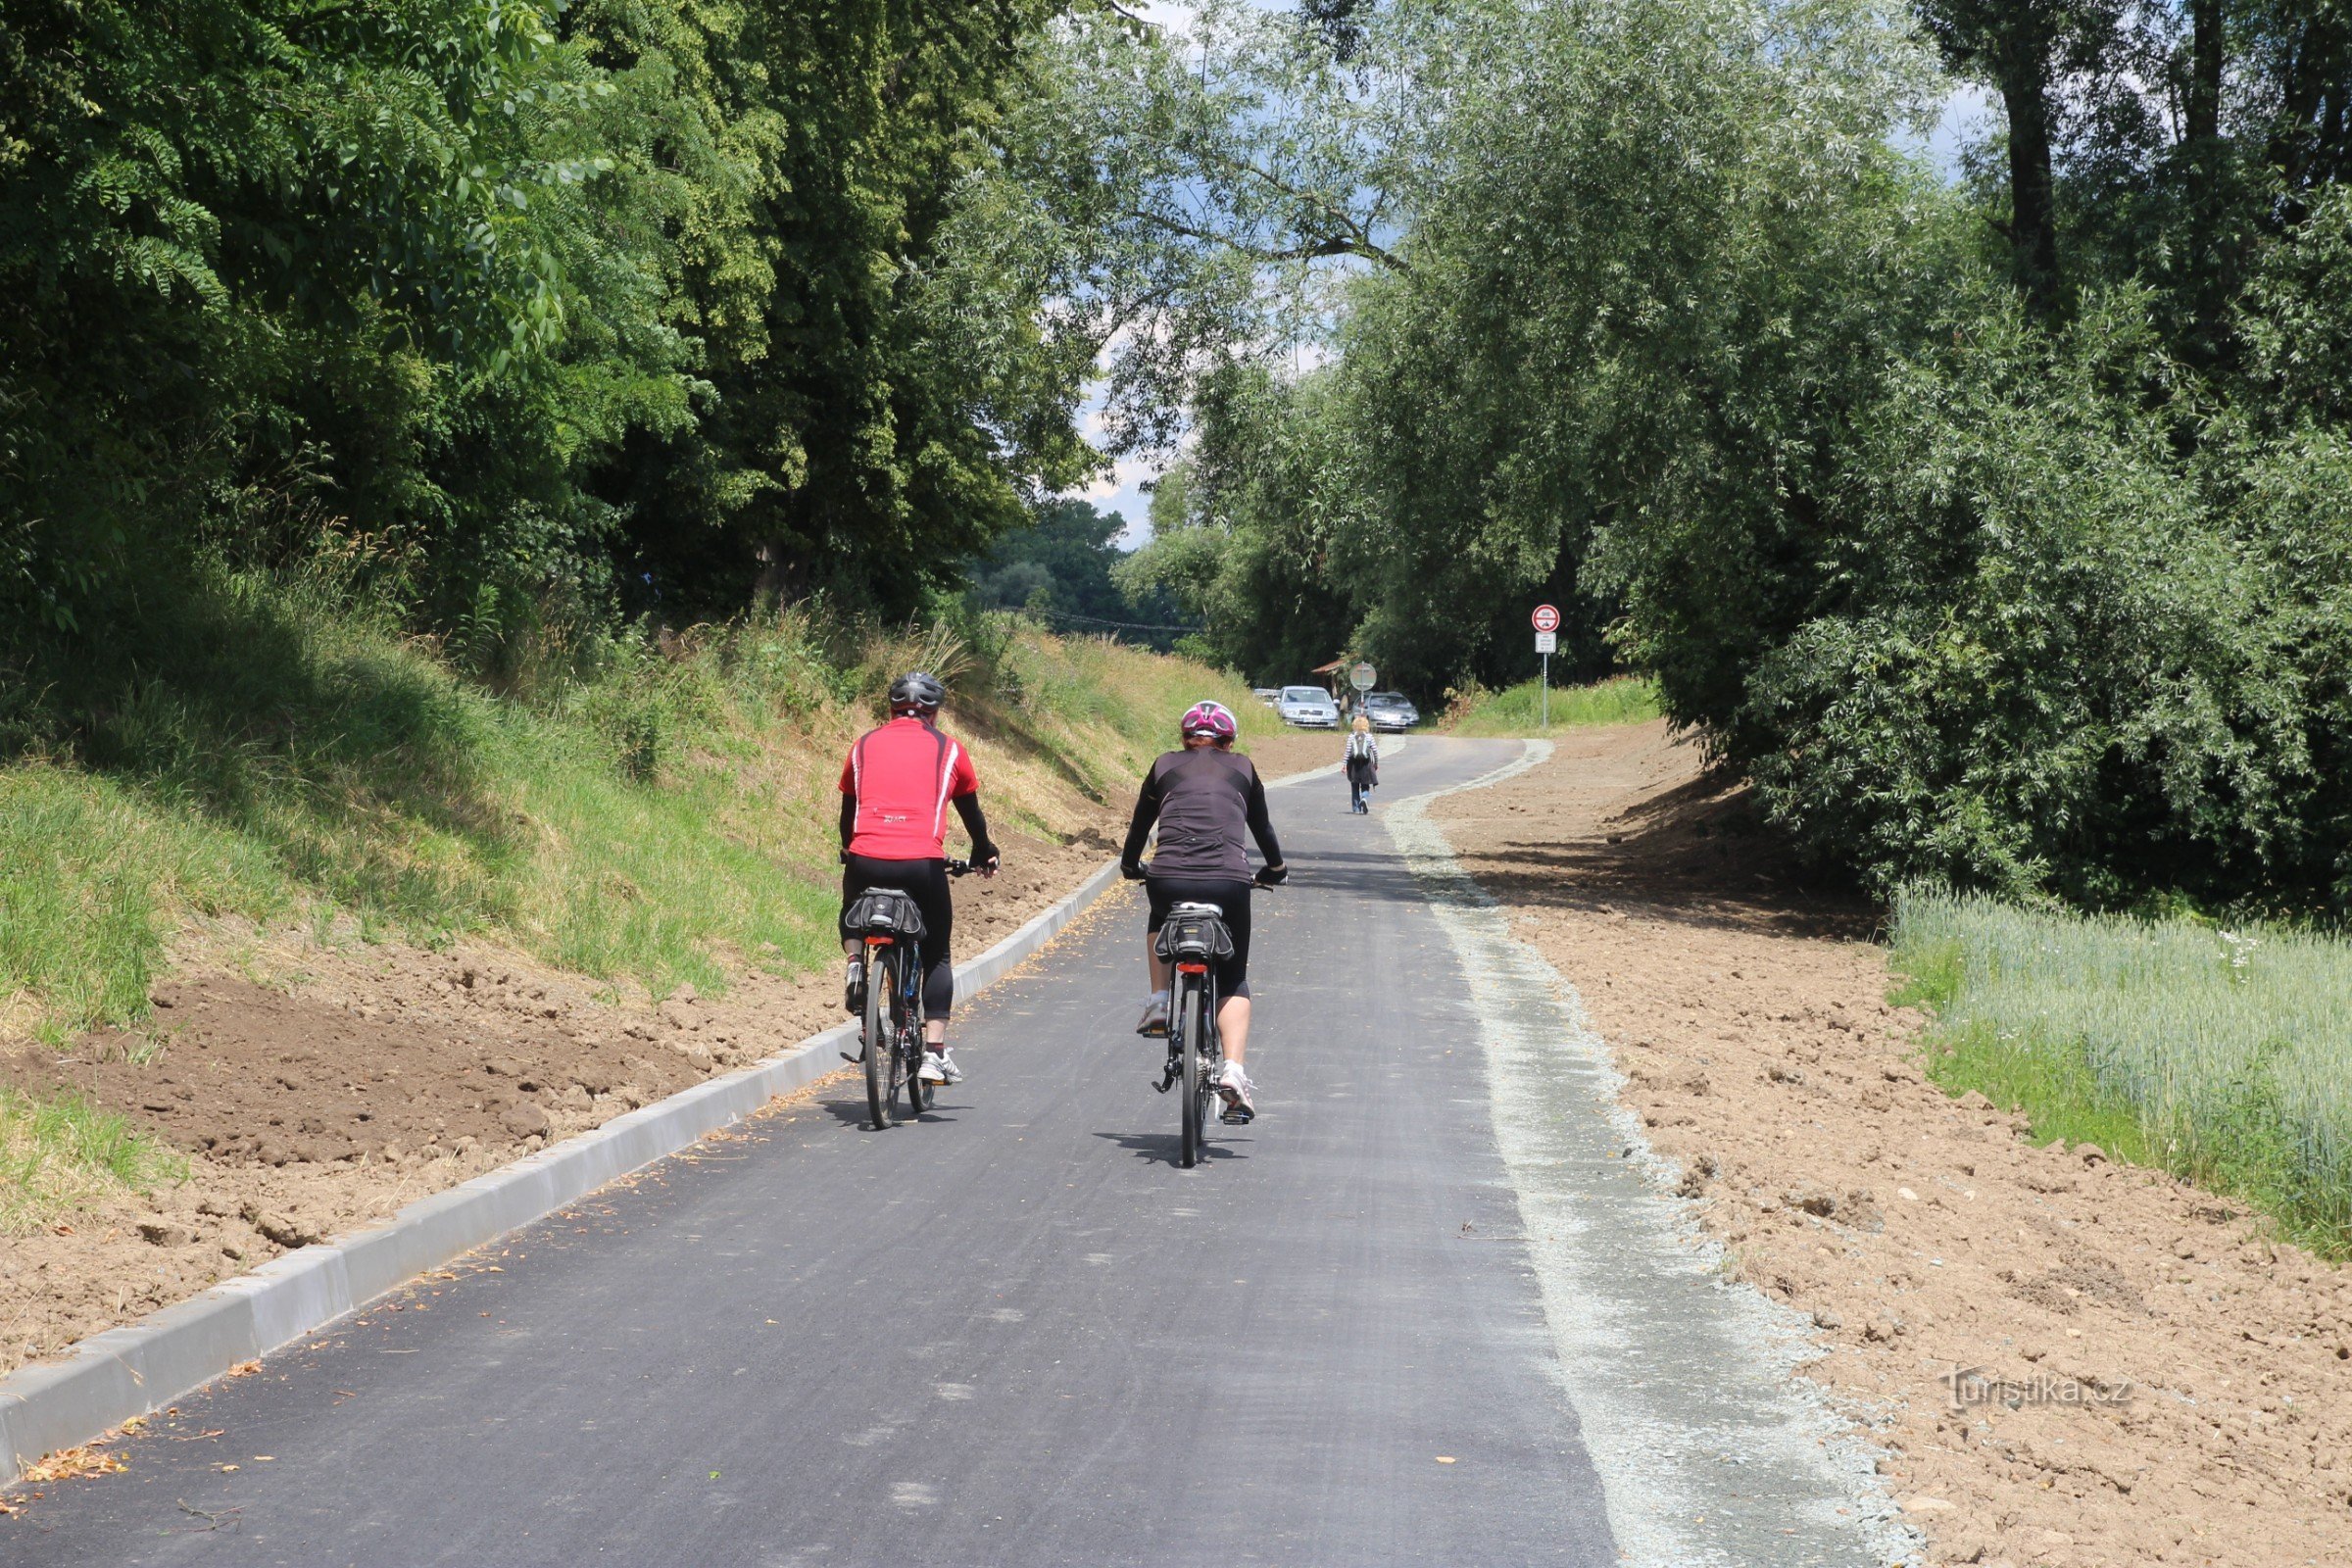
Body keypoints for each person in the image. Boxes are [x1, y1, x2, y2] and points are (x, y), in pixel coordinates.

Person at [1120, 700, 1287, 1123]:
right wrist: (1276, 869)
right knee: (1233, 977)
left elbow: (1140, 823)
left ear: (1184, 739)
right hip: (1228, 883)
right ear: (1229, 741)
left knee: (1160, 916)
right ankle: (1233, 1072)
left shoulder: (1163, 765)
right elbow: (1262, 827)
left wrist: (1129, 865)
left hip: (1168, 879)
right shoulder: (1243, 768)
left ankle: (1159, 1002)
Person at [838, 671, 1000, 1085]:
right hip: (921, 864)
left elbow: (848, 814)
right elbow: (972, 816)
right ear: (934, 712)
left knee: (852, 910)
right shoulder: (949, 749)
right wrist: (983, 852)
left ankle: (855, 965)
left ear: (891, 709)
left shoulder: (863, 744)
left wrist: (849, 851)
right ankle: (934, 1052)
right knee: (937, 954)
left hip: (865, 858)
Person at [1344, 715, 1380, 813]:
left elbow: (1347, 752)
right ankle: (1364, 797)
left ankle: (1356, 808)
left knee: (1354, 786)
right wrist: (1376, 763)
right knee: (1365, 785)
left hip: (1353, 765)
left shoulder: (1351, 736)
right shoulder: (1369, 736)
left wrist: (1344, 765)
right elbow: (1375, 751)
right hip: (1366, 764)